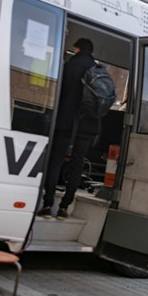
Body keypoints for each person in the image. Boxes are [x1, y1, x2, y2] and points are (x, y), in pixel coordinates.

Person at [38, 38, 100, 218]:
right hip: (88, 125)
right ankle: (65, 207)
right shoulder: (98, 70)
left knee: (56, 160)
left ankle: (48, 203)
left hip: (65, 122)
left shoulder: (69, 66)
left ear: (77, 49)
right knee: (77, 164)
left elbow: (57, 93)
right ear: (92, 52)